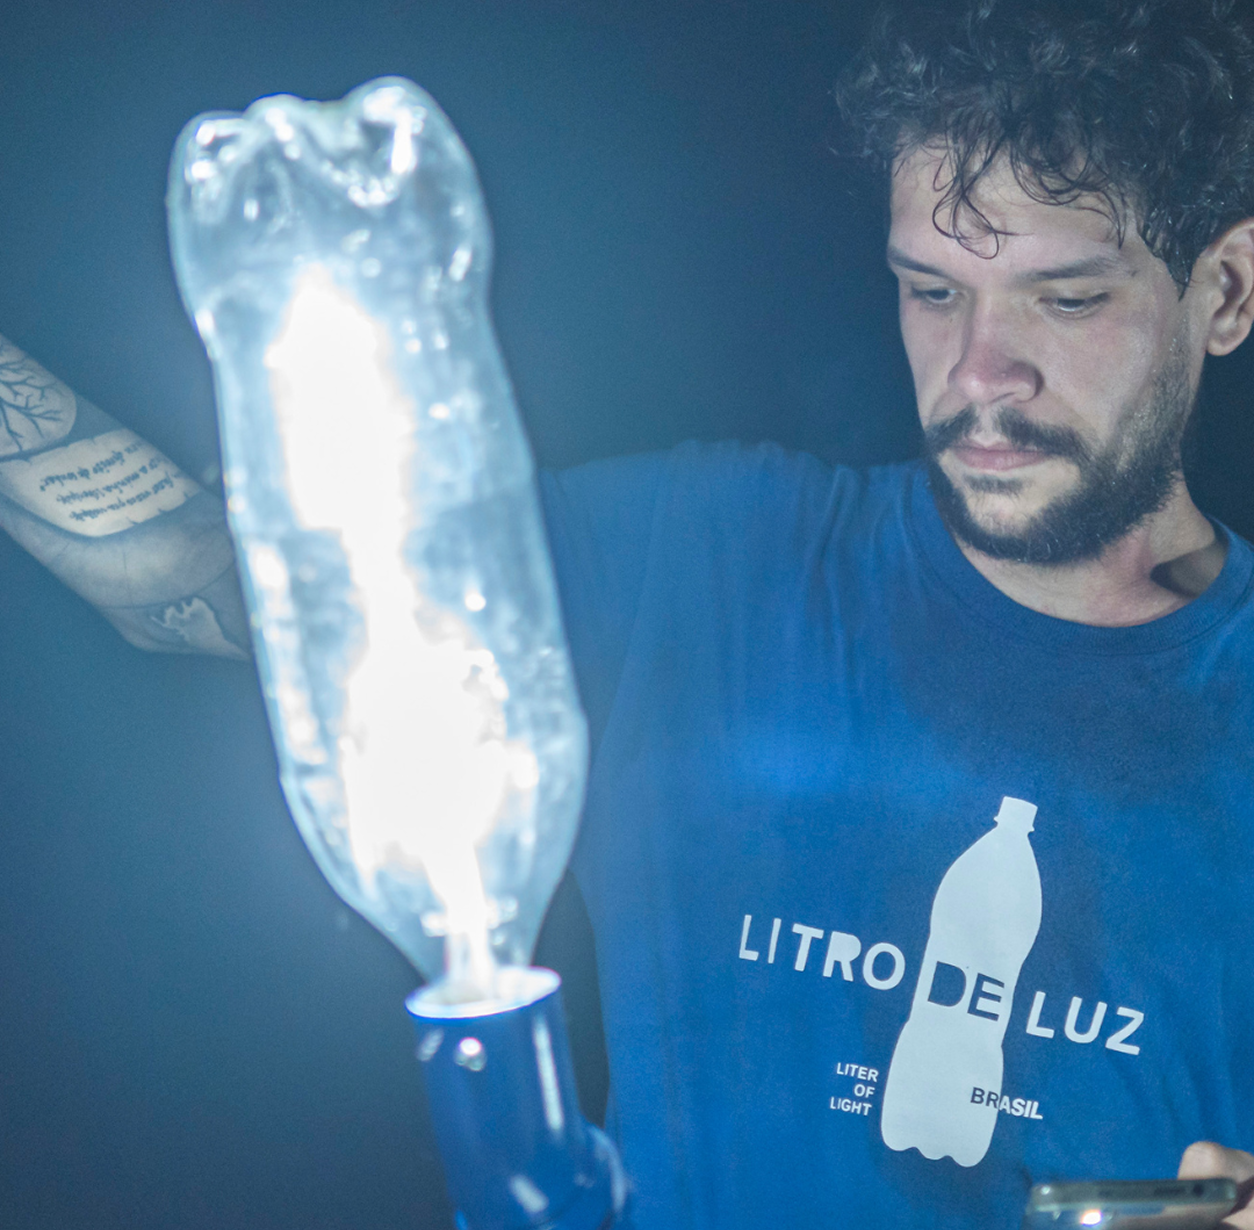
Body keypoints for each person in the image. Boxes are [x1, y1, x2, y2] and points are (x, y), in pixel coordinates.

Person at [4, 0, 1254, 1226]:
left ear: (1229, 291)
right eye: (932, 292)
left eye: (1067, 299)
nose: (981, 375)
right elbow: (214, 583)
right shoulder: (702, 563)